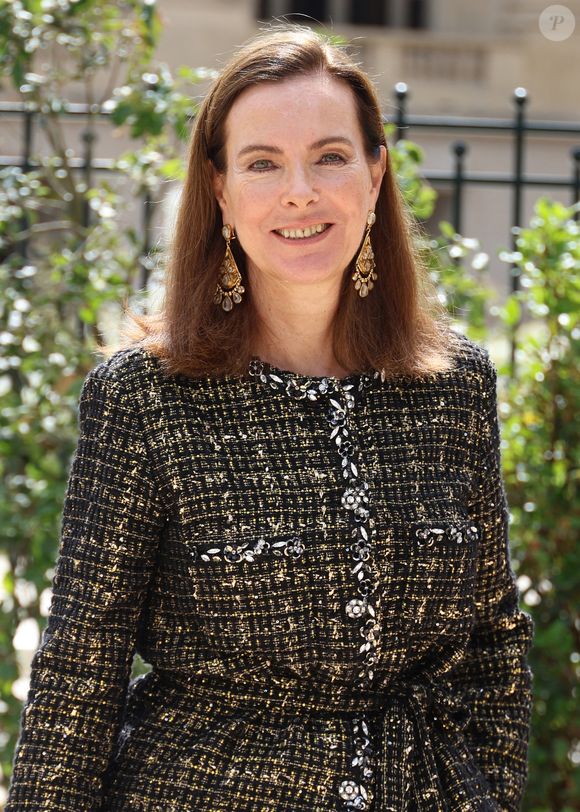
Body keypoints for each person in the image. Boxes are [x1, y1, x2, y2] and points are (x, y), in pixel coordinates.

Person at [6, 25, 533, 812]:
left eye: (330, 156)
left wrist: (489, 789)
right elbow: (82, 666)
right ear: (219, 190)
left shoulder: (454, 385)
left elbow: (494, 640)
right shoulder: (146, 397)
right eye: (263, 163)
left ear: (376, 172)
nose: (300, 191)